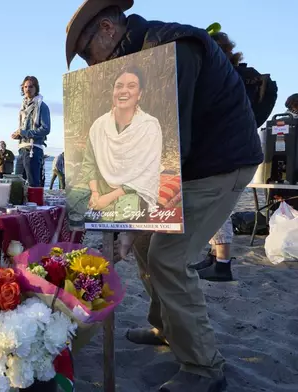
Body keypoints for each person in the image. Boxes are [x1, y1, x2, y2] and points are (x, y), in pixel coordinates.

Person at [66, 2, 262, 391]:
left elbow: (173, 146)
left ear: (106, 29)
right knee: (141, 242)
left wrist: (133, 214)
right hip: (191, 165)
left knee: (169, 257)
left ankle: (204, 367)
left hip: (220, 164)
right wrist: (128, 220)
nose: (90, 67)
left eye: (88, 54)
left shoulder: (172, 47)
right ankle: (165, 325)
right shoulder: (138, 59)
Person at [191, 30, 275, 282]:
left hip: (224, 156)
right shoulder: (241, 78)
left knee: (214, 211)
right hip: (236, 154)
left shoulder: (224, 79)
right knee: (217, 210)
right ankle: (215, 257)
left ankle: (223, 263)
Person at [81, 66, 162, 220]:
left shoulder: (149, 126)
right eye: (119, 86)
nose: (123, 91)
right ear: (113, 92)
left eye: (131, 86)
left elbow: (146, 174)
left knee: (126, 227)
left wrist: (109, 197)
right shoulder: (99, 125)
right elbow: (89, 164)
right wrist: (95, 193)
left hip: (135, 191)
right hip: (101, 189)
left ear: (140, 94)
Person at [12, 76, 51, 187]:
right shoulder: (23, 108)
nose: (28, 89)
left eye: (31, 86)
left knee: (33, 184)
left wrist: (24, 133)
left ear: (36, 88)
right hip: (21, 150)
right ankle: (20, 204)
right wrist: (18, 134)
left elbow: (46, 129)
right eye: (25, 87)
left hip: (34, 149)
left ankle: (35, 203)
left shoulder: (42, 106)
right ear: (22, 89)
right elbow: (24, 128)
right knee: (17, 184)